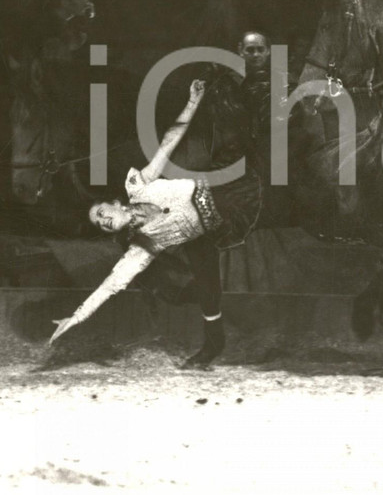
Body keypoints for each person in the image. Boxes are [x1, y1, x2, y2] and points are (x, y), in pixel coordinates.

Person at [49, 78, 260, 366]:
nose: (104, 222)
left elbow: (169, 142)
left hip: (227, 187)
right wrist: (75, 318)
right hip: (220, 225)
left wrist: (192, 102)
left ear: (114, 203)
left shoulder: (138, 185)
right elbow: (111, 285)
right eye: (99, 225)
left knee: (239, 143)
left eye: (101, 213)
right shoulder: (142, 246)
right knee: (205, 281)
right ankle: (214, 342)